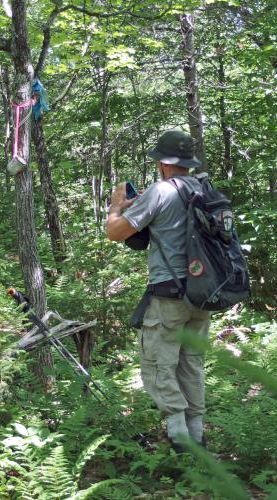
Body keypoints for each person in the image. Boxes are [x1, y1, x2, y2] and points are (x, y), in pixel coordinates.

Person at [106, 130, 211, 451]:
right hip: (204, 292)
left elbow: (115, 232)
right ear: (188, 163)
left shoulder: (160, 191)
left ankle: (179, 441)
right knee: (190, 362)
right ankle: (197, 436)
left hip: (169, 294)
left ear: (163, 163)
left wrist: (116, 206)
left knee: (158, 364)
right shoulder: (205, 190)